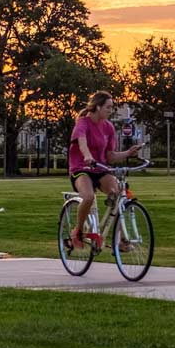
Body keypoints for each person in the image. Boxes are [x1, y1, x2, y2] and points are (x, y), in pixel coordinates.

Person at [68, 90, 140, 248]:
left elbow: (110, 157)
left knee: (119, 194)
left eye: (111, 107)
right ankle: (78, 231)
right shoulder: (83, 123)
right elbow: (82, 143)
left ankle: (120, 240)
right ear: (98, 107)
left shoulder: (108, 127)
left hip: (100, 168)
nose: (110, 110)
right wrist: (87, 156)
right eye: (108, 107)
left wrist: (128, 153)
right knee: (88, 197)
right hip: (82, 168)